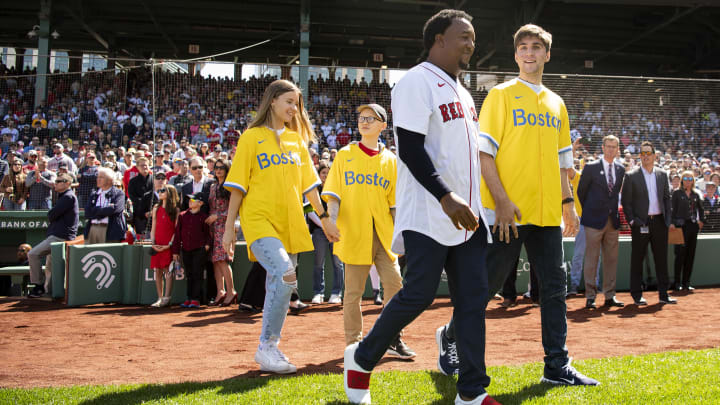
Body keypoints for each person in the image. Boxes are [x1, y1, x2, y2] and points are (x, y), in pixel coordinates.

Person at [343, 11, 497, 405]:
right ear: (439, 39)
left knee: (473, 301)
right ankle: (361, 358)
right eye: (464, 36)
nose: (470, 44)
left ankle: (472, 391)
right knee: (418, 294)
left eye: (473, 38)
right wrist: (445, 195)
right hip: (431, 211)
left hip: (467, 216)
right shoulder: (415, 81)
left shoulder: (464, 92)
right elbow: (410, 148)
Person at [437, 22, 599, 392]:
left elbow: (564, 162)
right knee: (485, 289)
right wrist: (503, 202)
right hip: (507, 213)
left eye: (536, 47)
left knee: (555, 290)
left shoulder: (557, 103)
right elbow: (484, 153)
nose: (529, 53)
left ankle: (557, 366)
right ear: (516, 55)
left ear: (547, 54)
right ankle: (450, 336)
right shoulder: (501, 95)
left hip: (546, 216)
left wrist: (568, 204)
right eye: (523, 47)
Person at [222, 79, 336, 375]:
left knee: (282, 284)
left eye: (297, 104)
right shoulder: (251, 137)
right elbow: (237, 188)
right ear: (272, 101)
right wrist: (228, 228)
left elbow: (311, 187)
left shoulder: (297, 141)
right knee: (285, 274)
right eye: (288, 102)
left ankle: (268, 347)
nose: (293, 109)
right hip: (258, 219)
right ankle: (268, 347)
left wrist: (324, 219)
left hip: (291, 223)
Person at [323, 103, 415, 357]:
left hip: (384, 234)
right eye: (362, 117)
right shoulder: (345, 154)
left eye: (372, 119)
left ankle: (393, 339)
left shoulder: (390, 160)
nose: (365, 122)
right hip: (353, 232)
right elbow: (333, 194)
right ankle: (353, 344)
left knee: (395, 285)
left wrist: (402, 234)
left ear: (383, 126)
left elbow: (395, 204)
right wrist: (330, 221)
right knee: (352, 293)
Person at [621, 141, 677, 305]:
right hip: (640, 223)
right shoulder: (631, 176)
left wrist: (667, 220)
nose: (645, 156)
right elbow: (626, 202)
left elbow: (667, 198)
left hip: (659, 222)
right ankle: (637, 295)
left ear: (654, 155)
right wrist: (632, 221)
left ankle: (663, 294)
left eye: (648, 153)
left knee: (661, 259)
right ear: (640, 156)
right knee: (637, 259)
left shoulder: (662, 174)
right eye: (643, 153)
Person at [576, 135, 625, 308]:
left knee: (611, 259)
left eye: (614, 147)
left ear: (618, 149)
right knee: (592, 258)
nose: (611, 149)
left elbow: (616, 194)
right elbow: (581, 193)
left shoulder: (620, 169)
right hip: (593, 221)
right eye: (608, 146)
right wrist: (591, 210)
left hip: (612, 221)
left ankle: (610, 295)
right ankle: (590, 296)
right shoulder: (590, 167)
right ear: (603, 148)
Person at [27, 173, 79, 298]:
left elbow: (51, 215)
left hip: (60, 236)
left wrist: (52, 214)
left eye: (59, 181)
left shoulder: (68, 196)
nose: (55, 183)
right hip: (59, 235)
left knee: (32, 254)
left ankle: (38, 286)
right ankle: (48, 291)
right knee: (50, 266)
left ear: (67, 183)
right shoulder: (63, 196)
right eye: (55, 181)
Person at [309, 161, 344, 305]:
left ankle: (336, 293)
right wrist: (325, 226)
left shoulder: (337, 189)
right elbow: (309, 211)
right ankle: (318, 293)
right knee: (318, 264)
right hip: (319, 232)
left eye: (328, 173)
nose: (325, 175)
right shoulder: (314, 190)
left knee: (338, 264)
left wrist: (332, 227)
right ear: (318, 174)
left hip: (335, 231)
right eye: (323, 173)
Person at [206, 158, 237, 307]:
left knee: (223, 260)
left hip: (225, 226)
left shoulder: (230, 186)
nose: (218, 170)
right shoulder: (212, 186)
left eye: (221, 167)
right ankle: (221, 291)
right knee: (216, 260)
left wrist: (218, 216)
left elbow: (234, 208)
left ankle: (231, 291)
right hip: (213, 226)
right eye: (216, 167)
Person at [172, 192, 211, 309]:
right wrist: (175, 251)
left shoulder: (204, 217)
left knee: (197, 274)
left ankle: (196, 299)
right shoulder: (182, 216)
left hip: (199, 249)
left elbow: (208, 234)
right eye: (189, 200)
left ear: (200, 203)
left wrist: (207, 245)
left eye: (193, 200)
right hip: (186, 249)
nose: (190, 201)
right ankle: (189, 298)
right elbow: (177, 235)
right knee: (189, 274)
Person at [671, 170, 705, 291]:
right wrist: (671, 223)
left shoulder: (696, 194)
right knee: (680, 254)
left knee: (690, 255)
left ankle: (686, 282)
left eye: (690, 179)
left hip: (693, 226)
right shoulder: (676, 193)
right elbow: (672, 210)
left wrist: (701, 221)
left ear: (693, 181)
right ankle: (677, 282)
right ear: (681, 180)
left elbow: (701, 209)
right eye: (686, 178)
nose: (688, 181)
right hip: (680, 227)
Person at [149, 185, 180, 307]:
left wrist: (169, 244)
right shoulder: (156, 208)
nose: (160, 192)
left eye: (163, 191)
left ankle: (167, 297)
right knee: (157, 271)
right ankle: (160, 298)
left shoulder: (175, 210)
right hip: (157, 243)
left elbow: (176, 230)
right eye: (159, 191)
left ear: (170, 193)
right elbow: (153, 227)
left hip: (168, 244)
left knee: (168, 270)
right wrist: (153, 243)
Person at [84, 167, 127, 244]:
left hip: (109, 230)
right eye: (98, 177)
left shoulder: (118, 194)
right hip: (93, 229)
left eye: (101, 177)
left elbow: (116, 209)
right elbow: (87, 212)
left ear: (110, 180)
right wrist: (105, 210)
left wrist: (96, 210)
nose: (98, 179)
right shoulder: (94, 194)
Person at [127, 157, 153, 236]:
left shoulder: (154, 180)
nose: (144, 167)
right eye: (142, 165)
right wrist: (145, 211)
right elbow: (133, 197)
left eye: (146, 165)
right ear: (137, 167)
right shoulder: (133, 181)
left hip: (153, 214)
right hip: (140, 215)